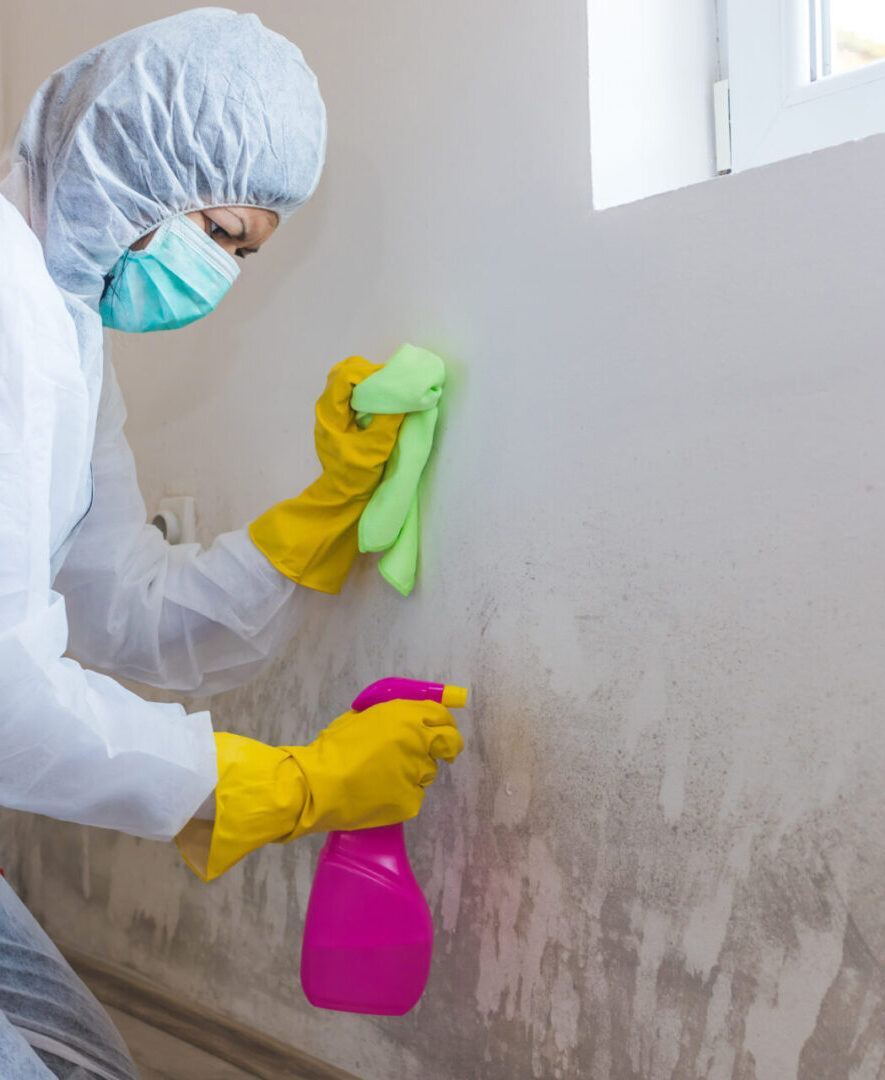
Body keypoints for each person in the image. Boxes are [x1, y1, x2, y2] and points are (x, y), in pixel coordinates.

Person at [0, 9, 464, 1078]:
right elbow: (9, 697)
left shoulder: (64, 330)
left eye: (242, 259)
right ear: (132, 156)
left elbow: (123, 606)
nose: (218, 280)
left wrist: (326, 510)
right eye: (219, 237)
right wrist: (292, 785)